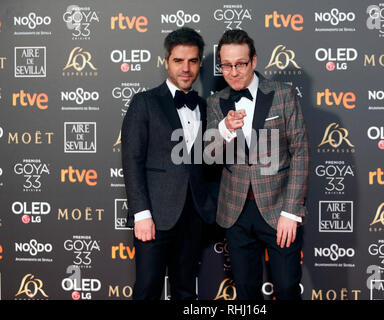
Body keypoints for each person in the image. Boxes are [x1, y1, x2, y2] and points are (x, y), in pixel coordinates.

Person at [206, 29, 309, 300]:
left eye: (240, 64)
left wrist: (291, 211)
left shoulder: (283, 95)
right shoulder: (216, 103)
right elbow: (209, 156)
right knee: (245, 292)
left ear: (253, 61)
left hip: (278, 208)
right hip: (236, 211)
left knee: (287, 288)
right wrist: (225, 129)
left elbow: (299, 153)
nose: (233, 71)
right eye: (226, 65)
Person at [121, 27, 217, 300]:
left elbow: (210, 163)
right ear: (166, 62)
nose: (185, 68)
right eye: (178, 60)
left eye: (192, 61)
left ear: (199, 63)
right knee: (147, 288)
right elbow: (132, 159)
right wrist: (141, 214)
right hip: (155, 215)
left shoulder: (205, 106)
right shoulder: (145, 102)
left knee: (186, 290)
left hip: (193, 216)